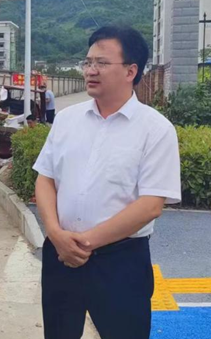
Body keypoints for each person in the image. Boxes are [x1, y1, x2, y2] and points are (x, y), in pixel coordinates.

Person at [33, 26, 181, 339]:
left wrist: (83, 244)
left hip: (120, 263)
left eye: (101, 63)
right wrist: (56, 234)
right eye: (88, 62)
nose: (91, 71)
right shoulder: (67, 119)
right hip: (60, 255)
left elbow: (151, 205)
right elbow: (45, 178)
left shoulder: (156, 130)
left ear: (131, 71)